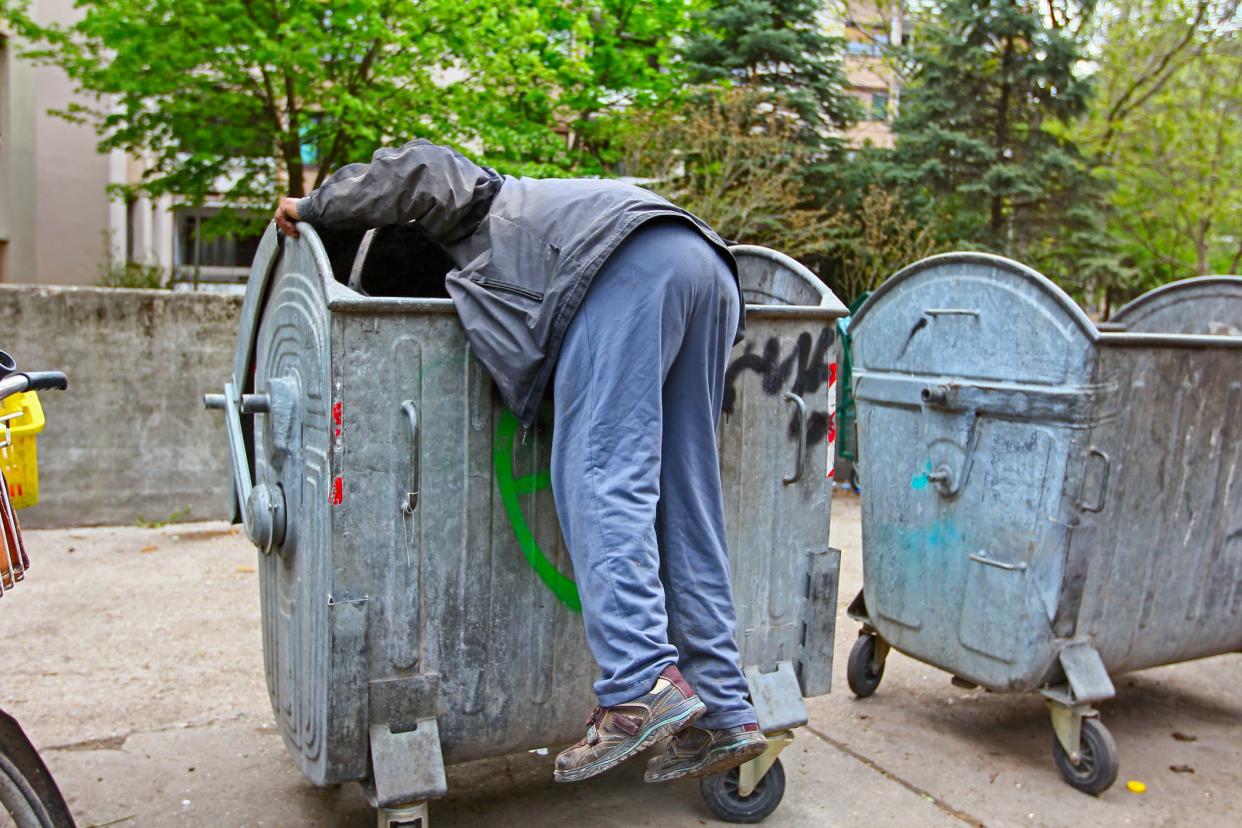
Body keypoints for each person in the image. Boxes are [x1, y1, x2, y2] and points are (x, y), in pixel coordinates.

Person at [274, 139, 766, 784]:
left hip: (625, 268)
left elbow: (422, 168)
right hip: (705, 266)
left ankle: (639, 685)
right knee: (687, 498)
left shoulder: (485, 201)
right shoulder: (549, 211)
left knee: (598, 476)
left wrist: (313, 205)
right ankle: (724, 710)